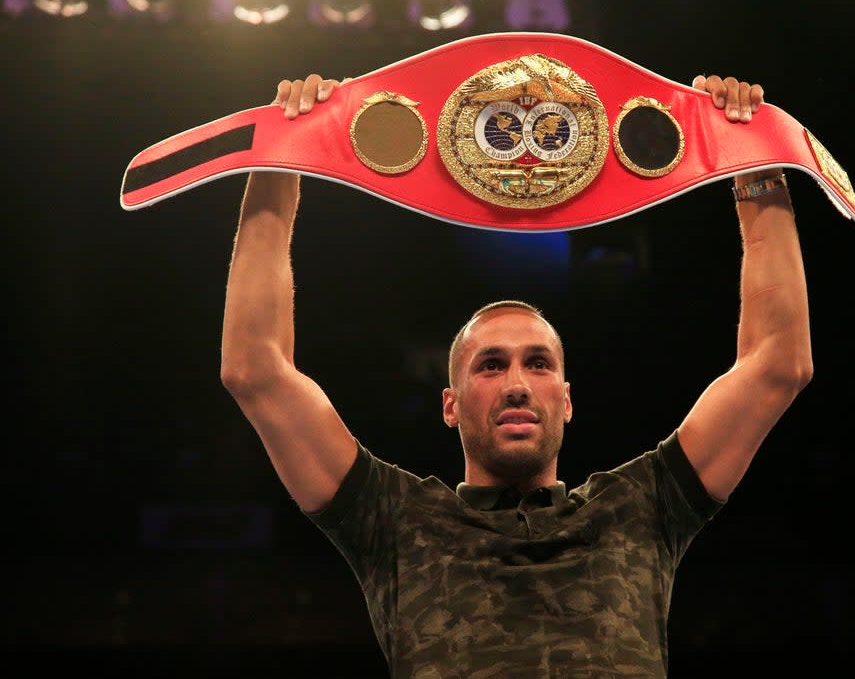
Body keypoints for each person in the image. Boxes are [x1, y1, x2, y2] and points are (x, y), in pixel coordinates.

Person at [220, 72, 811, 677]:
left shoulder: (642, 508)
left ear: (568, 399)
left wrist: (754, 161)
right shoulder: (395, 522)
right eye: (490, 365)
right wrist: (278, 159)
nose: (518, 383)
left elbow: (777, 366)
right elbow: (255, 370)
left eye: (538, 362)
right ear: (449, 405)